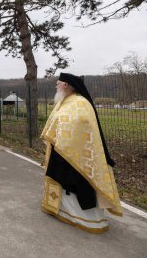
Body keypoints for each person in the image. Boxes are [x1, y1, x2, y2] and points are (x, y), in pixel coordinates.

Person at [40, 73, 122, 233]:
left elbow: (82, 123)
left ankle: (82, 217)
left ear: (66, 85)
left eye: (58, 83)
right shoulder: (63, 101)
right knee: (60, 179)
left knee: (75, 182)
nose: (56, 86)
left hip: (76, 153)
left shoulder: (81, 102)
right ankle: (60, 209)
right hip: (60, 150)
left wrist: (66, 135)